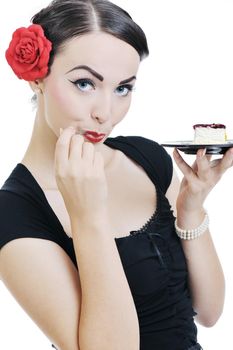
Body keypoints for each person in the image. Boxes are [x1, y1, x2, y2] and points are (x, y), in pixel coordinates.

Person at [0, 0, 232, 349]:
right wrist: (88, 215)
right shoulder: (15, 212)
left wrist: (191, 209)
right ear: (37, 79)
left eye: (123, 88)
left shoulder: (146, 158)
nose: (105, 113)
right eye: (84, 83)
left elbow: (210, 312)